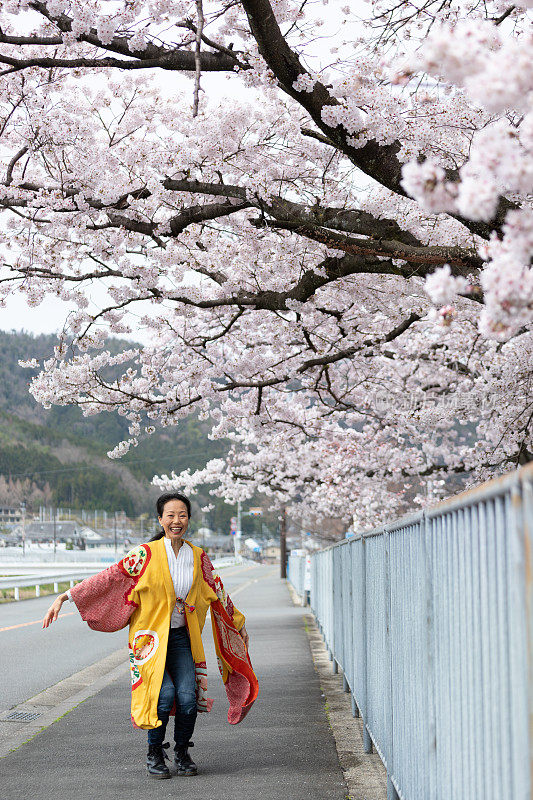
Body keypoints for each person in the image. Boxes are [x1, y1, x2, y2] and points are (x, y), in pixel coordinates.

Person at [43, 492, 258, 780]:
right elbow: (110, 577)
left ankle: (182, 751)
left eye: (182, 515)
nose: (176, 520)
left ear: (189, 520)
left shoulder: (198, 556)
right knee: (162, 693)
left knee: (187, 697)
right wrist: (66, 596)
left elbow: (218, 592)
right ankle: (155, 752)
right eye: (170, 515)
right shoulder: (145, 554)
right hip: (150, 642)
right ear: (160, 519)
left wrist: (238, 623)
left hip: (182, 639)